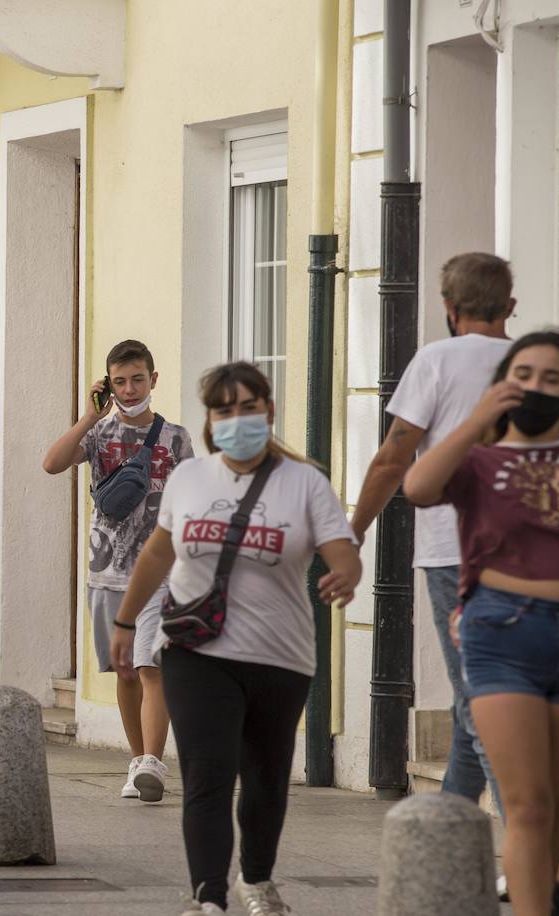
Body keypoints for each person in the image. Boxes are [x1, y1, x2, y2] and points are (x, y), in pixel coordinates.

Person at [111, 361, 360, 916]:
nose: (236, 418)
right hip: (196, 651)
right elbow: (157, 553)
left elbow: (340, 548)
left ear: (268, 412)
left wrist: (344, 572)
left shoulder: (305, 482)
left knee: (266, 778)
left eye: (247, 407)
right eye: (224, 410)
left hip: (281, 656)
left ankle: (256, 879)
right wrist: (126, 623)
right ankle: (209, 896)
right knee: (208, 773)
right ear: (210, 420)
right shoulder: (191, 478)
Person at [404, 331, 559, 916]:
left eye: (552, 379)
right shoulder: (477, 461)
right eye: (522, 375)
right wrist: (477, 418)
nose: (535, 388)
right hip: (502, 637)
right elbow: (418, 486)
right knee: (529, 807)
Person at [352, 252, 514, 812]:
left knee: (477, 697)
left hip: (455, 552)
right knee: (484, 695)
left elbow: (393, 457)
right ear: (510, 306)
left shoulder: (437, 360)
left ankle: (522, 835)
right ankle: (446, 829)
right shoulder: (543, 364)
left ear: (449, 308)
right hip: (539, 557)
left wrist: (353, 532)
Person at [42, 339, 192, 800]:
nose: (130, 390)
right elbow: (51, 463)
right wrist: (91, 414)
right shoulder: (99, 434)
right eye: (120, 382)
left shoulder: (176, 438)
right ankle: (136, 762)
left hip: (161, 574)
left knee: (151, 664)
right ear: (109, 385)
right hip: (106, 572)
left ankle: (153, 762)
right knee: (125, 670)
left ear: (154, 380)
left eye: (138, 380)